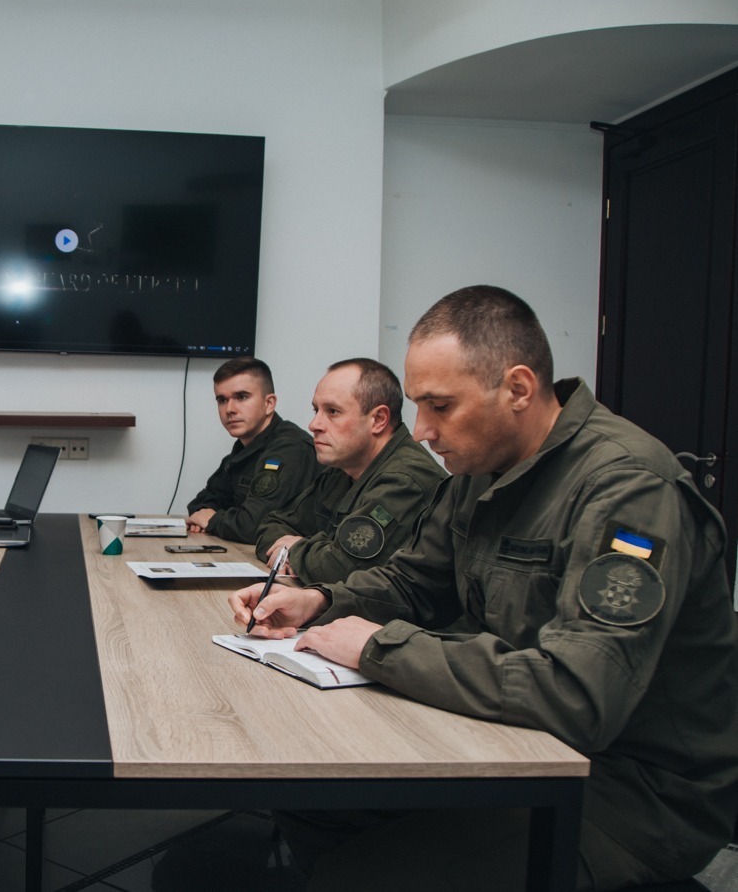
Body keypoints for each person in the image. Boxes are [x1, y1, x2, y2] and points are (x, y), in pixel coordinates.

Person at [230, 286, 738, 890]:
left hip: (630, 785)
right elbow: (416, 580)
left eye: (440, 407)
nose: (421, 432)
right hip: (511, 740)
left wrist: (377, 648)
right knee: (308, 797)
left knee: (361, 875)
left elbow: (579, 696)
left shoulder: (628, 489)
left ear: (518, 389)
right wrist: (321, 601)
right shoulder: (481, 468)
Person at [252, 358, 446, 583]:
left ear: (378, 419)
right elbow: (271, 525)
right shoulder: (344, 467)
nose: (314, 424)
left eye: (332, 411)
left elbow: (337, 570)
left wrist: (295, 549)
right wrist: (301, 550)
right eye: (316, 410)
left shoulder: (406, 479)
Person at [186, 356, 318, 543]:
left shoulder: (290, 448)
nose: (229, 409)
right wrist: (208, 517)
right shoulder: (244, 448)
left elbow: (253, 526)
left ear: (269, 403)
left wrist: (213, 520)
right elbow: (201, 504)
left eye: (241, 397)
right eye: (222, 400)